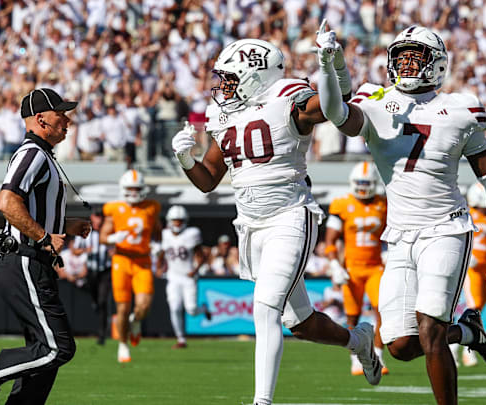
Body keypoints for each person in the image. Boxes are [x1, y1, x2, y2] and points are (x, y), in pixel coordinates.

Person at [171, 38, 382, 405]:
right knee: (301, 323)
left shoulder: (287, 95)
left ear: (254, 76)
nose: (222, 86)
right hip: (251, 226)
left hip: (290, 216)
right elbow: (207, 179)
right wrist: (185, 158)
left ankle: (262, 402)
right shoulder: (225, 115)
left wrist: (330, 68)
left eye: (230, 78)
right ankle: (357, 341)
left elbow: (334, 107)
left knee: (265, 304)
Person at [316, 23, 486, 405]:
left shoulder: (461, 109)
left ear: (437, 65)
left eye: (416, 58)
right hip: (399, 236)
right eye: (402, 58)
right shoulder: (374, 102)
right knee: (401, 345)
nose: (407, 65)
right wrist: (329, 65)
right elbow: (335, 113)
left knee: (430, 332)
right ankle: (470, 332)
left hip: (446, 228)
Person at [0, 88, 91, 405]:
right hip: (24, 260)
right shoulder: (32, 153)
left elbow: (29, 207)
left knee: (42, 355)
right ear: (40, 119)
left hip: (29, 260)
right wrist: (45, 237)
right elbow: (6, 201)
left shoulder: (41, 153)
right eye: (61, 113)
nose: (68, 120)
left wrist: (64, 226)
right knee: (56, 347)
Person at [325, 161, 389, 375]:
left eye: (366, 183)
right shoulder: (342, 204)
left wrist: (390, 253)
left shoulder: (383, 203)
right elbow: (330, 241)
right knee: (352, 316)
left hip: (375, 267)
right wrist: (334, 264)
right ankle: (355, 359)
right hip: (351, 268)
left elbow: (394, 232)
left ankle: (378, 356)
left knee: (383, 311)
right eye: (359, 182)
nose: (362, 187)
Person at [100, 169, 162, 363]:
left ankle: (135, 323)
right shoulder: (113, 208)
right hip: (122, 260)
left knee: (143, 306)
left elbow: (158, 231)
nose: (134, 192)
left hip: (143, 260)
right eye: (130, 188)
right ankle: (123, 345)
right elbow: (102, 237)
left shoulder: (151, 207)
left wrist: (159, 245)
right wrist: (112, 238)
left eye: (137, 188)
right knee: (123, 308)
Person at [450, 182, 486, 367]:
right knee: (473, 306)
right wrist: (466, 255)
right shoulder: (467, 213)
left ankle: (462, 348)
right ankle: (460, 350)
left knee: (479, 310)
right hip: (473, 267)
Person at [157, 205, 211, 349]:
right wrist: (158, 267)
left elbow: (201, 255)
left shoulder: (192, 234)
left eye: (180, 220)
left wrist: (195, 269)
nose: (177, 223)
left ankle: (204, 309)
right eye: (175, 220)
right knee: (174, 307)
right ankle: (181, 339)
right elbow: (162, 252)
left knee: (192, 310)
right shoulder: (165, 235)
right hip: (173, 276)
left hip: (188, 277)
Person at [74, 208, 113, 345]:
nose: (98, 222)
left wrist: (113, 253)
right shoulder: (86, 232)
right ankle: (95, 301)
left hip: (105, 270)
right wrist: (86, 250)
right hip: (91, 270)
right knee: (96, 298)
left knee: (103, 301)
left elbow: (116, 247)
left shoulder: (108, 231)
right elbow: (75, 250)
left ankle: (102, 334)